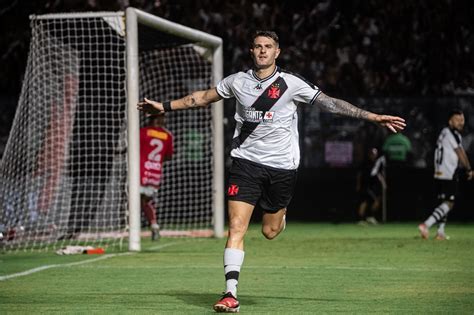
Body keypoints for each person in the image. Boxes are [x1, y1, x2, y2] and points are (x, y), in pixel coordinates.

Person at [137, 30, 405, 313]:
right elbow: (202, 97)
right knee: (237, 228)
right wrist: (163, 106)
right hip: (245, 163)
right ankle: (230, 293)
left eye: (268, 47)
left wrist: (372, 117)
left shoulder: (290, 84)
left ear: (277, 52)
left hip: (282, 167)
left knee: (270, 231)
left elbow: (331, 103)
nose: (262, 51)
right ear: (251, 51)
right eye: (257, 46)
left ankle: (280, 215)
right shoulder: (237, 82)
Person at [418, 109, 472, 240]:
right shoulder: (452, 133)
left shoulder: (444, 132)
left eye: (462, 120)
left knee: (444, 202)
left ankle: (440, 232)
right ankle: (426, 224)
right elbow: (460, 152)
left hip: (439, 171)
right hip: (448, 172)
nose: (461, 122)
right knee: (449, 203)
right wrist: (469, 169)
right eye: (457, 119)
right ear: (450, 121)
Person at [140, 114, 173, 240]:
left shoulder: (143, 132)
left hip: (139, 171)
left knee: (132, 199)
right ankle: (154, 225)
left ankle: (129, 227)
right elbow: (168, 156)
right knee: (146, 201)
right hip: (154, 173)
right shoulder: (167, 135)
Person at [356, 148, 386, 225]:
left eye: (375, 154)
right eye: (372, 154)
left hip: (372, 186)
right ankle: (363, 219)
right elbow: (359, 174)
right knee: (366, 201)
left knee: (370, 201)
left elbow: (378, 174)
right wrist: (358, 184)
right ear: (369, 154)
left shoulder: (376, 163)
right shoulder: (365, 163)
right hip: (365, 185)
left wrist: (383, 182)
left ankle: (369, 217)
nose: (373, 155)